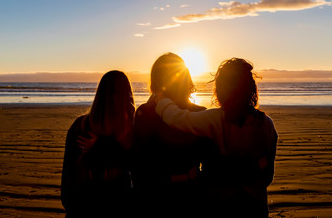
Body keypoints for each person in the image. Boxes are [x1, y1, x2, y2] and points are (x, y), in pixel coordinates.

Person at [155, 58, 278, 217]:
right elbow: (267, 176)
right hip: (255, 206)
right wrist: (251, 168)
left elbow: (177, 118)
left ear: (220, 89)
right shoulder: (266, 125)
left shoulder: (215, 119)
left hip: (221, 204)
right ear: (251, 89)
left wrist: (160, 99)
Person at [130, 53, 216, 215]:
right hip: (189, 195)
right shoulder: (200, 114)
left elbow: (137, 163)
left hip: (155, 196)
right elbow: (211, 166)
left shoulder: (146, 113)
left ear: (155, 82)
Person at [61, 70, 135, 217]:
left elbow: (68, 171)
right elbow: (137, 165)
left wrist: (69, 205)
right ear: (127, 95)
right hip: (118, 205)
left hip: (82, 205)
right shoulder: (132, 128)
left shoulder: (80, 125)